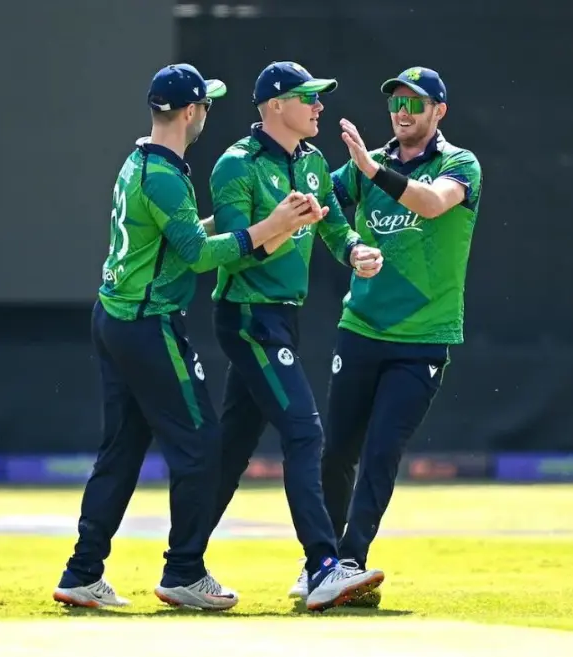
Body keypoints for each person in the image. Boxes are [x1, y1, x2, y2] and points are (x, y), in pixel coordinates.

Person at [52, 64, 324, 612]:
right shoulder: (166, 176)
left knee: (122, 449)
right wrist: (270, 228)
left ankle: (82, 572)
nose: (209, 114)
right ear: (192, 112)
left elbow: (174, 239)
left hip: (114, 319)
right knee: (203, 446)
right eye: (207, 106)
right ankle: (185, 572)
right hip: (148, 324)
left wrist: (255, 229)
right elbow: (198, 258)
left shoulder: (139, 161)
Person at [203, 61, 385, 611]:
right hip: (248, 316)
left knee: (232, 449)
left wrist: (353, 247)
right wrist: (286, 226)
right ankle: (321, 566)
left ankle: (182, 562)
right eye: (308, 97)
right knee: (305, 433)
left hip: (284, 318)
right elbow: (236, 250)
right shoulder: (235, 165)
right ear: (276, 105)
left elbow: (331, 223)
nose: (319, 106)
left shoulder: (310, 162)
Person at [302, 66, 482, 607]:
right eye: (396, 105)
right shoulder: (368, 165)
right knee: (336, 452)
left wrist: (369, 170)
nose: (403, 114)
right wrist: (351, 245)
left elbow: (430, 203)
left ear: (439, 112)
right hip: (361, 327)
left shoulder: (459, 163)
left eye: (415, 105)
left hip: (424, 337)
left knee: (381, 451)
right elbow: (317, 203)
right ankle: (323, 564)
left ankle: (351, 560)